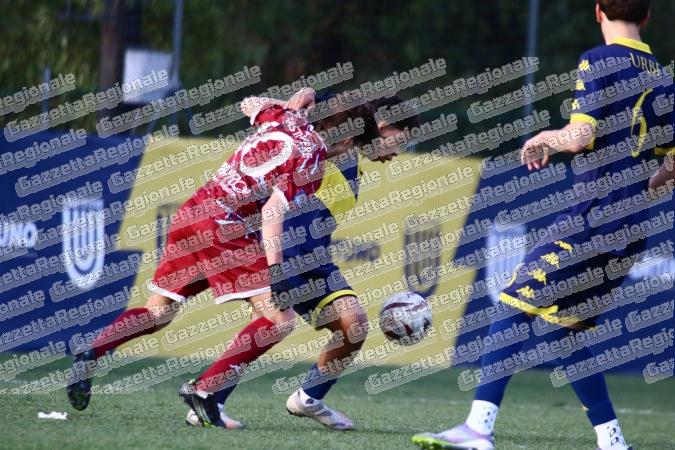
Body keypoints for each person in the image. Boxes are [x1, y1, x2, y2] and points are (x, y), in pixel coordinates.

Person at [413, 1, 673, 449]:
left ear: (598, 11)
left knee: (511, 304)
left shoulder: (598, 59)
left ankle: (478, 429)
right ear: (646, 17)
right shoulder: (664, 77)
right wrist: (638, 192)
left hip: (591, 219)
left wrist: (544, 138)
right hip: (632, 230)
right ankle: (613, 443)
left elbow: (580, 137)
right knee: (567, 330)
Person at [66, 88, 327, 428]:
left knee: (158, 312)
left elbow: (248, 103)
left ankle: (94, 351)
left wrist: (294, 99)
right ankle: (205, 390)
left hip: (193, 212)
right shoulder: (314, 153)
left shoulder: (281, 117)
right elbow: (273, 211)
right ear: (350, 140)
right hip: (225, 225)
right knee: (280, 319)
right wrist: (276, 271)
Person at [185, 93, 420, 429]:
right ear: (381, 127)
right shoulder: (326, 139)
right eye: (400, 141)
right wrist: (304, 97)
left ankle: (308, 398)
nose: (398, 152)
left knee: (353, 326)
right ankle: (208, 399)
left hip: (316, 258)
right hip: (280, 249)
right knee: (271, 324)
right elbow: (271, 110)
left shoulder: (351, 155)